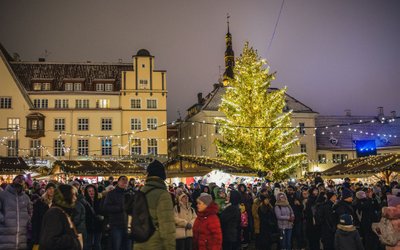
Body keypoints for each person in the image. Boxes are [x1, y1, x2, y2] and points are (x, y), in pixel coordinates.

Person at [134, 160, 175, 250]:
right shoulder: (163, 194)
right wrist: (170, 247)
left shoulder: (140, 192)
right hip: (155, 243)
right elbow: (167, 226)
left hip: (139, 241)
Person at [39, 184, 82, 250]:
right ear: (65, 195)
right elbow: (50, 241)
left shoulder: (63, 211)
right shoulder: (55, 213)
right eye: (72, 194)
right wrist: (72, 239)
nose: (75, 198)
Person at [0, 175, 32, 250]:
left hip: (21, 239)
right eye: (18, 178)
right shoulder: (3, 195)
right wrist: (3, 219)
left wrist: (27, 220)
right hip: (5, 238)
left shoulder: (26, 198)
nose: (20, 180)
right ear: (13, 180)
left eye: (23, 179)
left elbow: (30, 211)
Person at [103, 176, 131, 250]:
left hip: (128, 225)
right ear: (118, 182)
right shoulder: (111, 194)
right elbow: (106, 207)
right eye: (122, 180)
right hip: (116, 224)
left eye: (126, 181)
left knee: (128, 246)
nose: (124, 182)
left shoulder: (129, 193)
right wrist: (120, 208)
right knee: (116, 246)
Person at [31, 182, 56, 247]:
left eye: (53, 189)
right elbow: (35, 220)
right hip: (41, 232)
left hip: (54, 234)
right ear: (46, 190)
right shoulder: (40, 202)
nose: (52, 190)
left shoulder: (57, 203)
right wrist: (35, 236)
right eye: (50, 188)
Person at [84, 184, 104, 250]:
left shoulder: (99, 201)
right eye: (89, 191)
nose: (91, 192)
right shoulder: (84, 202)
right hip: (88, 226)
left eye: (92, 191)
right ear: (86, 193)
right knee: (88, 244)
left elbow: (103, 212)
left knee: (97, 244)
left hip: (98, 226)